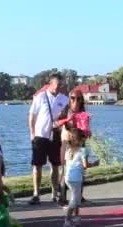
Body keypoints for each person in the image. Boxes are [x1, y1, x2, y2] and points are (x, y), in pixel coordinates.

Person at [28, 73, 69, 205]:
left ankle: (54, 193)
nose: (59, 88)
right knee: (37, 165)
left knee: (55, 165)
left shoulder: (64, 99)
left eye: (61, 85)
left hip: (55, 135)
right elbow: (32, 116)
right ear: (51, 84)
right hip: (40, 135)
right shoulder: (40, 97)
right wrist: (32, 133)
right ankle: (36, 194)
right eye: (57, 85)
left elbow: (66, 117)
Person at [56, 89, 92, 205]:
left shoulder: (83, 111)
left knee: (80, 169)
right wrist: (67, 121)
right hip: (67, 143)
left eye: (78, 98)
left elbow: (86, 127)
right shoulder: (65, 110)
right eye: (72, 98)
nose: (75, 101)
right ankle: (62, 197)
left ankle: (79, 196)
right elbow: (56, 123)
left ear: (82, 100)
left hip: (80, 143)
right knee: (64, 169)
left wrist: (88, 132)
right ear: (69, 99)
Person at [62, 128, 98, 227]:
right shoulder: (83, 150)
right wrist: (95, 163)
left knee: (76, 197)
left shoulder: (68, 150)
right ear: (81, 139)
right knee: (74, 199)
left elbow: (67, 163)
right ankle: (67, 221)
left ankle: (76, 217)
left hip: (68, 177)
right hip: (76, 178)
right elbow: (85, 165)